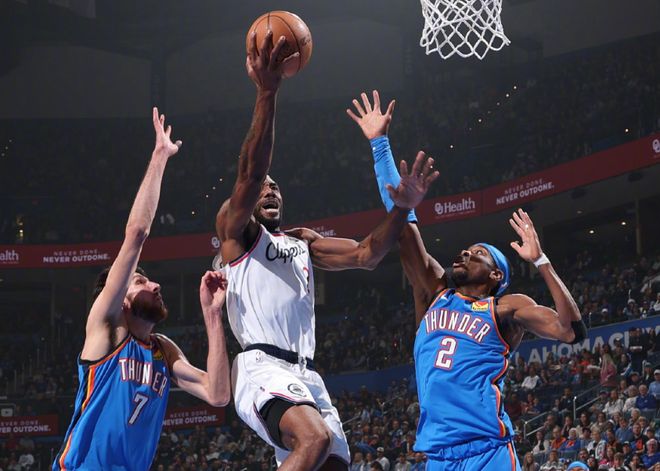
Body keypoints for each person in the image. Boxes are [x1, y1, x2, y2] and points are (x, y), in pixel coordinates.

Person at [216, 35, 437, 471]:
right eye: (263, 189)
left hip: (306, 374)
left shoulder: (303, 242)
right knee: (314, 439)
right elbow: (251, 172)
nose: (269, 190)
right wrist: (267, 92)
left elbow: (368, 254)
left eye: (276, 188)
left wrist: (402, 208)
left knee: (334, 463)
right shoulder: (236, 234)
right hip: (261, 366)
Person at [347, 90, 586, 470]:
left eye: (477, 253)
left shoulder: (505, 308)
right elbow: (403, 223)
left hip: (488, 449)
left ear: (496, 274)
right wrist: (379, 144)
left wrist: (541, 261)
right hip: (438, 455)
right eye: (465, 250)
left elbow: (570, 330)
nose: (464, 253)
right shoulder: (434, 293)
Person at [53, 109, 231, 470]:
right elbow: (136, 234)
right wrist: (160, 156)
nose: (154, 284)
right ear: (120, 300)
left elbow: (218, 394)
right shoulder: (107, 329)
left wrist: (213, 316)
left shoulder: (163, 350)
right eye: (140, 281)